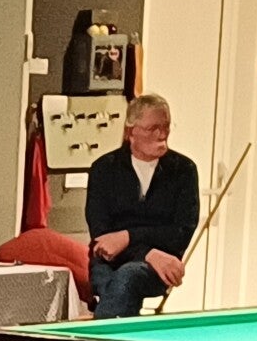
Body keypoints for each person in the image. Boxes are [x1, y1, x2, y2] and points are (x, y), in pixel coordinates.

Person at [85, 94, 199, 318]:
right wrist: (147, 252)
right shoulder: (104, 169)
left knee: (127, 278)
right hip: (111, 261)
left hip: (162, 263)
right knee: (112, 284)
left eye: (166, 126)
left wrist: (127, 237)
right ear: (131, 132)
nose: (162, 134)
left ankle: (101, 338)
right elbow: (102, 238)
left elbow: (180, 232)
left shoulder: (184, 170)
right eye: (153, 128)